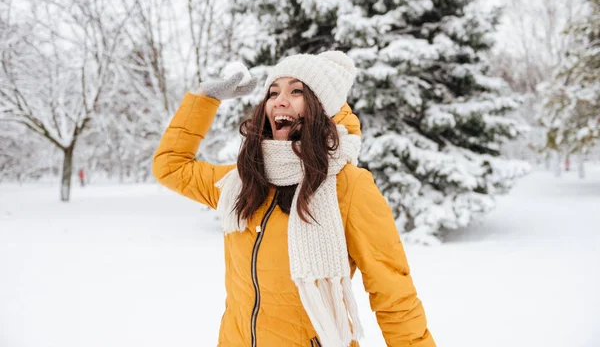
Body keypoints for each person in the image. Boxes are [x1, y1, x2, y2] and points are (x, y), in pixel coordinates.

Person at [152, 51, 435, 347]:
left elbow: (393, 293)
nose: (280, 100)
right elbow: (170, 165)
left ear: (319, 107)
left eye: (296, 91)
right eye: (273, 92)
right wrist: (205, 98)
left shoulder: (348, 186)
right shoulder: (243, 181)